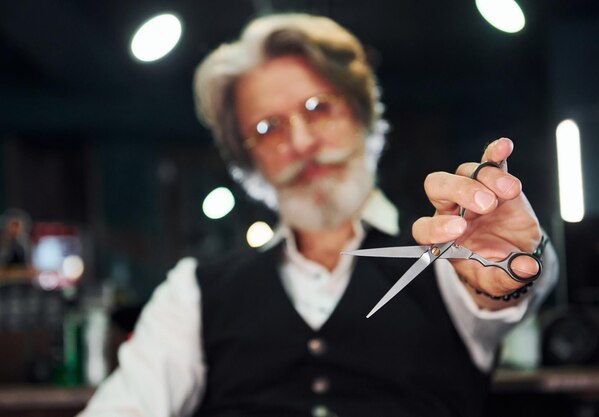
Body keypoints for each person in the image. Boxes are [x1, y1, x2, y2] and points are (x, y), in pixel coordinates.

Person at [79, 13, 558, 417]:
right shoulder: (192, 293)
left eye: (318, 107)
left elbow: (506, 293)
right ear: (248, 161)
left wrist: (515, 261)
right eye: (267, 128)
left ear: (361, 112)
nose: (302, 142)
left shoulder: (452, 254)